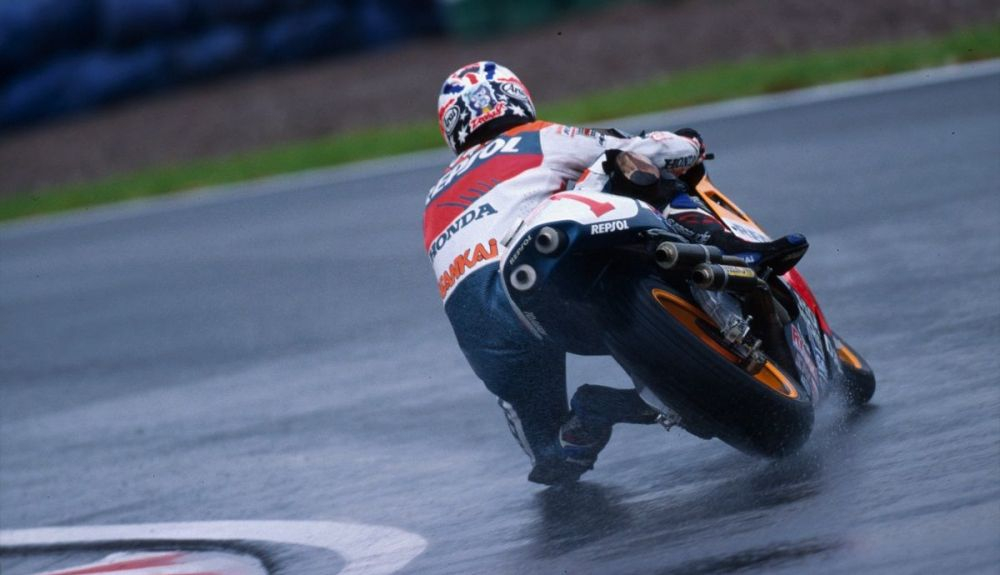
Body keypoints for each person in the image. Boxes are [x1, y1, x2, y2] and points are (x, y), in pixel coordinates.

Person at [423, 61, 802, 485]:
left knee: (554, 458)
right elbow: (640, 149)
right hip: (549, 271)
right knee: (627, 164)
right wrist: (690, 144)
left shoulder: (434, 198)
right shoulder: (536, 138)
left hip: (482, 323)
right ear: (516, 98)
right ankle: (735, 250)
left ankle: (596, 414)